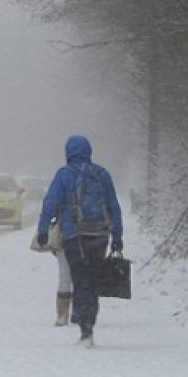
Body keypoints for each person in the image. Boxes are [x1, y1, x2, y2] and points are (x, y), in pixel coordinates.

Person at [37, 135, 123, 347]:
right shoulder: (102, 174)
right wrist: (117, 236)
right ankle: (89, 324)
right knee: (93, 280)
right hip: (100, 234)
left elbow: (50, 203)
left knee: (80, 278)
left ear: (68, 152)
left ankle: (84, 328)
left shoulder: (64, 175)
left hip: (74, 236)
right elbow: (114, 206)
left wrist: (43, 230)